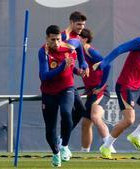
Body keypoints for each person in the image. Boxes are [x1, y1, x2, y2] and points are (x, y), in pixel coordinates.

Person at [94, 17, 140, 158]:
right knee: (129, 120)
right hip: (125, 86)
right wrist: (104, 63)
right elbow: (120, 49)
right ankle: (106, 146)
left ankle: (136, 135)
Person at [38, 25, 88, 167]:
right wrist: (62, 67)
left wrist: (83, 63)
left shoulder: (70, 45)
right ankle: (55, 153)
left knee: (66, 112)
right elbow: (44, 76)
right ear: (47, 39)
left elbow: (79, 45)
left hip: (67, 88)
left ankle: (64, 146)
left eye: (58, 39)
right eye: (52, 40)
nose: (56, 43)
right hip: (48, 92)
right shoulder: (44, 52)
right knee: (50, 129)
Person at [77, 28, 117, 154]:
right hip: (91, 92)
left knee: (95, 116)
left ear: (84, 39)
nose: (74, 40)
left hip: (100, 91)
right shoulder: (80, 53)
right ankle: (84, 151)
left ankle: (109, 146)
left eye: (77, 37)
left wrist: (100, 86)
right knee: (85, 124)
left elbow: (108, 65)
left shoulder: (89, 50)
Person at [61, 11, 92, 152]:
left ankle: (61, 139)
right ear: (71, 22)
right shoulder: (62, 37)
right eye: (79, 24)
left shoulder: (77, 38)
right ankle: (61, 141)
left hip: (69, 82)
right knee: (66, 113)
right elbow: (60, 61)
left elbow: (79, 61)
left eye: (83, 25)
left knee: (79, 110)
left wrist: (81, 69)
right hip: (59, 83)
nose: (81, 27)